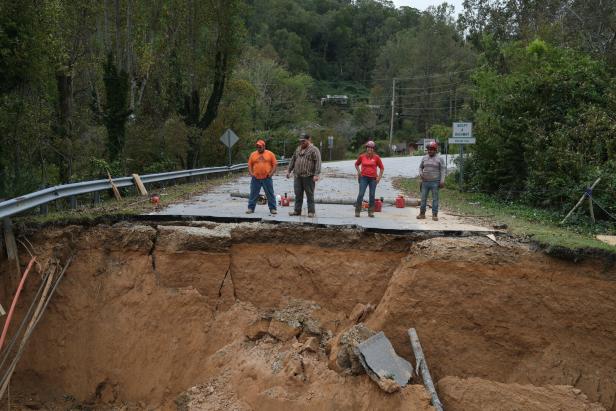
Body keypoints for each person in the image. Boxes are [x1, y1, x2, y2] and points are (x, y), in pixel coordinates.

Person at [286, 132, 321, 217]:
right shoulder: (298, 149)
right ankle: (297, 211)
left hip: (308, 176)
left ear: (309, 140)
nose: (302, 143)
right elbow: (293, 159)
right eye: (301, 141)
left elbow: (318, 162)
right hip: (297, 176)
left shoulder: (314, 149)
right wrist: (289, 171)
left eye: (304, 141)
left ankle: (311, 212)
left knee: (309, 194)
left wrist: (316, 174)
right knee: (298, 194)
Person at [246, 139, 278, 215]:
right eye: (257, 147)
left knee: (270, 194)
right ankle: (251, 208)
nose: (258, 148)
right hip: (256, 178)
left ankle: (273, 209)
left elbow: (275, 164)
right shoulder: (253, 154)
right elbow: (249, 165)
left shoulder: (270, 154)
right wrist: (251, 173)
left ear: (264, 146)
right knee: (253, 194)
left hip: (266, 178)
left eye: (260, 147)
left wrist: (271, 174)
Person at [354, 141, 384, 218]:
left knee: (372, 195)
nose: (370, 149)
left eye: (371, 147)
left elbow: (382, 168)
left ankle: (371, 212)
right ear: (366, 148)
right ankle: (357, 211)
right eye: (368, 147)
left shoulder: (376, 157)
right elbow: (356, 164)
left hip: (373, 179)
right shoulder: (362, 156)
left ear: (373, 149)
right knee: (361, 194)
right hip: (363, 178)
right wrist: (359, 172)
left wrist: (379, 177)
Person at [417, 141, 445, 221]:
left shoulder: (440, 159)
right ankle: (422, 214)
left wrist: (442, 181)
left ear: (435, 150)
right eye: (429, 149)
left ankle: (434, 215)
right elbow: (420, 167)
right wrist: (421, 173)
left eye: (432, 149)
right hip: (425, 182)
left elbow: (443, 170)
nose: (430, 151)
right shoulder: (424, 158)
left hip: (435, 182)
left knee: (435, 199)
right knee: (423, 198)